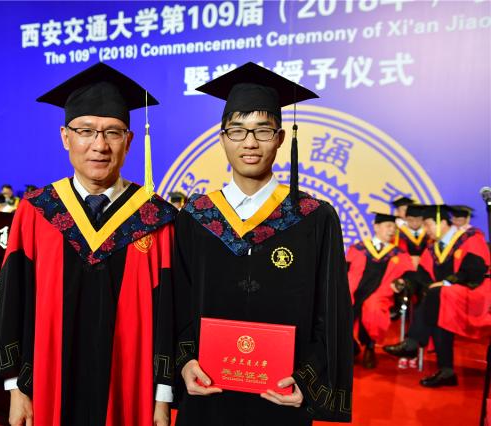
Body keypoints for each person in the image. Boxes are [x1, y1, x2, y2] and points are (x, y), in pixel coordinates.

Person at [0, 63, 177, 426]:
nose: (99, 145)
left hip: (131, 391)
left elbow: (169, 313)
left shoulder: (155, 218)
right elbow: (11, 301)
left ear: (129, 140)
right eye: (86, 131)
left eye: (113, 132)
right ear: (65, 137)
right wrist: (16, 387)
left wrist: (163, 397)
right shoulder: (37, 212)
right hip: (48, 385)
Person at [172, 62, 353, 425]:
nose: (250, 142)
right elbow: (177, 302)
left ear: (281, 138)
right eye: (237, 131)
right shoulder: (196, 218)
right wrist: (185, 360)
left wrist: (308, 380)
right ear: (222, 138)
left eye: (263, 131)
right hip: (207, 394)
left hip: (282, 399)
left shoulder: (313, 218)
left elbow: (331, 313)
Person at [384, 205, 491, 387]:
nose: (426, 230)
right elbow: (421, 276)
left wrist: (447, 282)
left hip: (476, 294)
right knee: (437, 303)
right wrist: (405, 282)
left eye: (428, 225)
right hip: (447, 297)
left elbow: (475, 270)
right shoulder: (433, 249)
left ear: (442, 223)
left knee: (436, 295)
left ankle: (413, 342)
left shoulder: (470, 238)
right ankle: (446, 371)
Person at [346, 213, 414, 368]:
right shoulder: (358, 248)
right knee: (341, 304)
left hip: (381, 293)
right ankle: (351, 345)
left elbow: (409, 275)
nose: (392, 230)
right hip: (356, 291)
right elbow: (345, 270)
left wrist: (402, 282)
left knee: (373, 306)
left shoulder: (399, 254)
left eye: (394, 227)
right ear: (376, 227)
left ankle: (370, 347)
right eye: (388, 226)